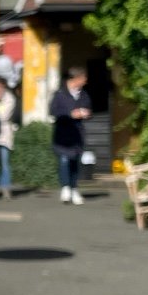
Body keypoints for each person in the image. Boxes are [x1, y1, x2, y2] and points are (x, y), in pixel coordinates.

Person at [50, 66, 92, 205]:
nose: (85, 81)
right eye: (84, 78)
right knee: (64, 159)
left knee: (75, 162)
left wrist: (86, 113)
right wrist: (69, 114)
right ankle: (66, 187)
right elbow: (53, 111)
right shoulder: (60, 93)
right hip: (62, 134)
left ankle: (74, 189)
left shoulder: (84, 95)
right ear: (76, 79)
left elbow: (89, 109)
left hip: (77, 135)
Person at [0, 77, 17, 200]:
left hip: (4, 135)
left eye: (0, 87)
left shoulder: (9, 98)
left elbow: (4, 116)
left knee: (5, 163)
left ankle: (6, 188)